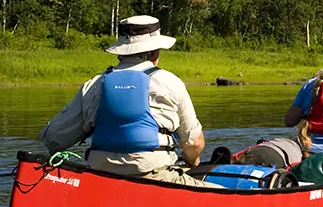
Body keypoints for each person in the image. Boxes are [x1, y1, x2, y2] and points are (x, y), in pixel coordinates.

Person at [39, 15, 211, 186]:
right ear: (155, 51)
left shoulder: (94, 85)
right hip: (156, 178)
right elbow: (194, 143)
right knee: (228, 198)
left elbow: (53, 138)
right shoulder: (169, 82)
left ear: (122, 51)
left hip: (100, 177)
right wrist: (192, 163)